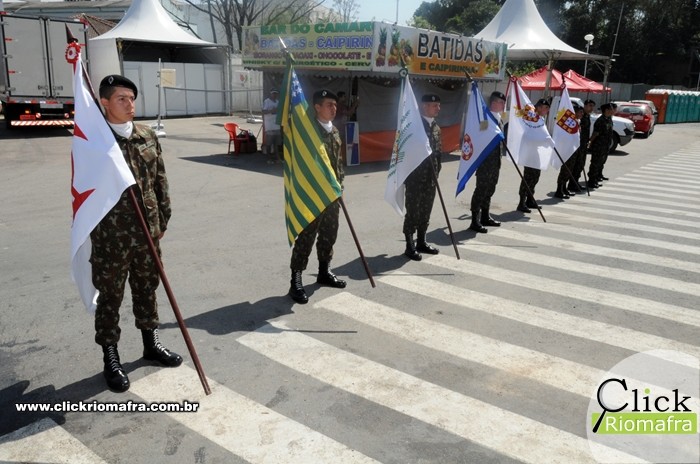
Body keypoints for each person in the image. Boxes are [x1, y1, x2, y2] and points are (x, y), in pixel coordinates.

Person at [94, 75, 182, 393]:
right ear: (104, 102)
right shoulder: (94, 139)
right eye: (121, 98)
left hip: (147, 231)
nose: (130, 104)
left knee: (147, 288)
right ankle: (111, 356)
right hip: (111, 236)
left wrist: (162, 219)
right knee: (111, 296)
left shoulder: (146, 135)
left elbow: (160, 180)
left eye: (132, 98)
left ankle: (151, 343)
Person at [288, 89, 346, 304]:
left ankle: (324, 271)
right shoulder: (308, 132)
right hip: (313, 194)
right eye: (329, 104)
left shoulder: (335, 131)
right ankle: (296, 280)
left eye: (335, 105)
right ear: (317, 107)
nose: (334, 108)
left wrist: (340, 186)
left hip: (332, 195)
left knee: (329, 234)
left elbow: (338, 163)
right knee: (306, 237)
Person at [403, 93, 442, 261]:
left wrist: (437, 172)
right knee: (413, 211)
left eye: (439, 105)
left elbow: (438, 154)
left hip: (430, 179)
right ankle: (409, 245)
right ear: (424, 106)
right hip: (415, 179)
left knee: (426, 210)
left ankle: (421, 241)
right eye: (435, 105)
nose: (438, 108)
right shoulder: (414, 127)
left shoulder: (436, 128)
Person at [469, 91, 506, 233]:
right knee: (481, 189)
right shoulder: (485, 119)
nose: (503, 105)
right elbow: (479, 136)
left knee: (490, 189)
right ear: (493, 103)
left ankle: (485, 216)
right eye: (501, 102)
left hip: (495, 162)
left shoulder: (499, 119)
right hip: (485, 162)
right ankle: (475, 220)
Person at [517, 98, 550, 213]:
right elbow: (527, 134)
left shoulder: (540, 119)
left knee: (536, 176)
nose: (546, 110)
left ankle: (530, 199)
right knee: (528, 177)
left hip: (536, 151)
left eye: (547, 108)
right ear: (539, 107)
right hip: (529, 151)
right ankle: (521, 202)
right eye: (545, 108)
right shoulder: (531, 119)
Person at [554, 102, 584, 199]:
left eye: (582, 112)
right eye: (580, 112)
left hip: (574, 150)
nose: (582, 114)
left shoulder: (577, 122)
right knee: (565, 170)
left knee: (569, 170)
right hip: (567, 150)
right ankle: (559, 190)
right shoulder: (569, 122)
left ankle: (564, 188)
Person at [567, 99, 595, 193]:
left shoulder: (586, 116)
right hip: (578, 145)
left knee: (580, 165)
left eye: (593, 106)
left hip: (583, 145)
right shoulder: (580, 118)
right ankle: (572, 184)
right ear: (585, 105)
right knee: (576, 165)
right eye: (590, 106)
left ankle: (575, 182)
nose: (591, 108)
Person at [587, 103, 615, 189]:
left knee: (600, 162)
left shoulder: (608, 119)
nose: (612, 110)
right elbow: (595, 133)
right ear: (606, 110)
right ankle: (591, 181)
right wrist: (590, 143)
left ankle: (596, 178)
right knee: (595, 163)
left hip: (605, 145)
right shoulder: (601, 120)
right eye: (611, 109)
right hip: (598, 146)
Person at [262, 89, 282, 163]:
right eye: (273, 93)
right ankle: (269, 159)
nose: (274, 95)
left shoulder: (277, 102)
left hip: (276, 125)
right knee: (269, 143)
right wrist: (271, 111)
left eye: (276, 93)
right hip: (269, 126)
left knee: (276, 143)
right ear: (270, 94)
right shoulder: (267, 101)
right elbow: (263, 111)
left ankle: (277, 158)